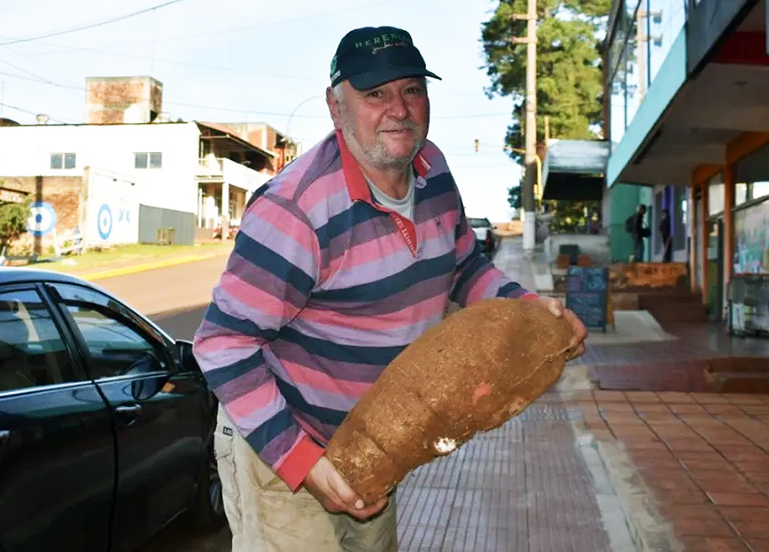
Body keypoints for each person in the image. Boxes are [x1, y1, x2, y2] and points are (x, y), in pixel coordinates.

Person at [193, 25, 588, 552]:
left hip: (375, 444)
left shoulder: (434, 169)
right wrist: (300, 461)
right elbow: (223, 344)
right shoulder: (296, 211)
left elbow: (465, 265)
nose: (398, 109)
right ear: (337, 108)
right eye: (374, 94)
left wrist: (533, 309)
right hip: (284, 444)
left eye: (411, 89)